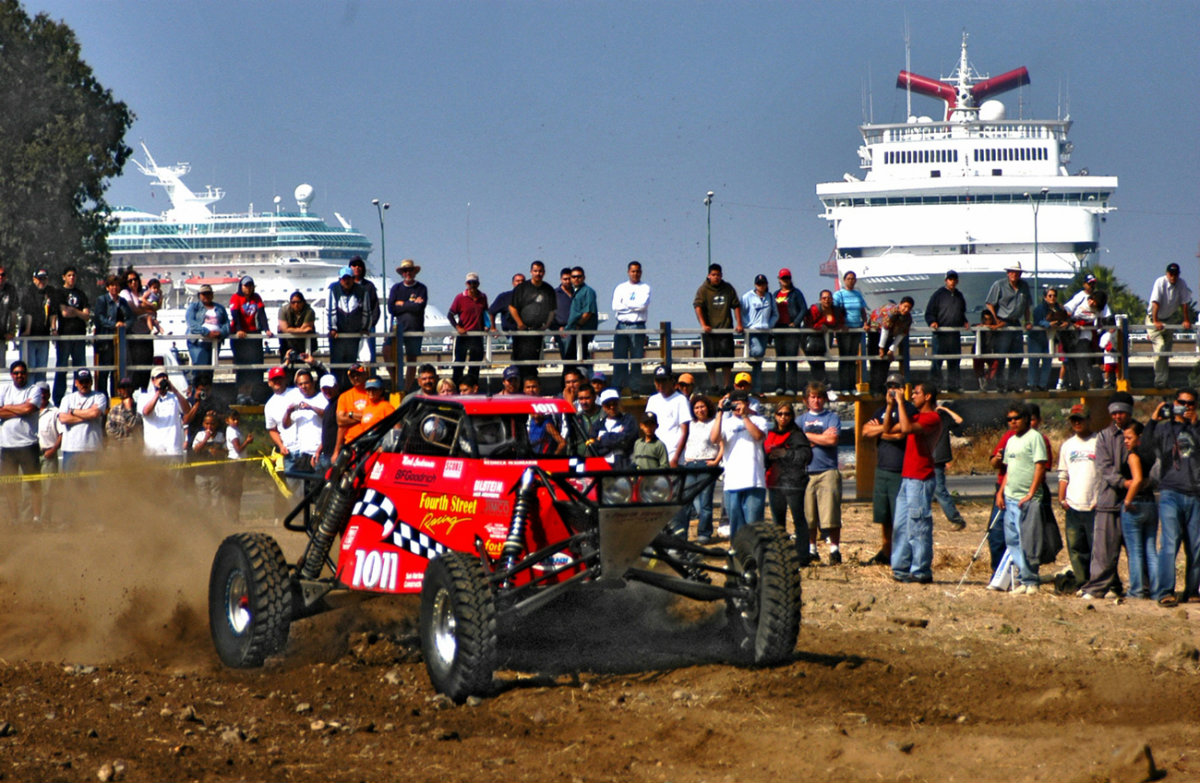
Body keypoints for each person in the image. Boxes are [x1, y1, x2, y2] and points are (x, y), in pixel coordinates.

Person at [1145, 389, 1200, 606]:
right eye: (1181, 402)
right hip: (1170, 491)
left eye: (1190, 403)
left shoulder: (1197, 427)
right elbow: (1145, 448)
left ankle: (1192, 590)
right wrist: (1153, 420)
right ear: (1174, 403)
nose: (1185, 407)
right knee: (1169, 543)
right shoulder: (1164, 428)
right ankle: (1165, 591)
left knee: (1196, 546)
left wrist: (1195, 425)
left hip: (1195, 493)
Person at [1077, 392, 1134, 601]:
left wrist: (1139, 484)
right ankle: (1097, 588)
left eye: (1122, 412)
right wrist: (1124, 482)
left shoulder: (1141, 432)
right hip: (1109, 501)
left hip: (1135, 502)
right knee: (1103, 551)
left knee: (1136, 551)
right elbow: (1104, 467)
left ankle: (1141, 587)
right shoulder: (1103, 436)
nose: (1118, 416)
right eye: (1114, 412)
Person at [886, 381, 942, 584]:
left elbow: (907, 428)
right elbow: (888, 429)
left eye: (916, 393)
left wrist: (901, 403)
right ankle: (900, 568)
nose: (912, 396)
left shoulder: (932, 418)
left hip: (921, 478)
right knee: (901, 525)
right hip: (907, 477)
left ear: (927, 396)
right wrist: (891, 406)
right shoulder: (915, 416)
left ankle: (921, 570)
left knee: (918, 526)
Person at [995, 404, 1049, 595]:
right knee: (1013, 541)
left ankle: (1032, 580)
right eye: (1009, 419)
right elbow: (1009, 470)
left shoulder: (1035, 437)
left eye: (1016, 418)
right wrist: (1001, 493)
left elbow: (1040, 466)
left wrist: (1031, 493)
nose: (1013, 422)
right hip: (1010, 498)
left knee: (1028, 542)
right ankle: (1024, 579)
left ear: (1026, 418)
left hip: (1027, 500)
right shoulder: (1010, 440)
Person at [862, 373, 914, 565]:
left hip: (900, 469)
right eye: (889, 386)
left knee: (899, 515)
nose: (892, 390)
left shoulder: (908, 409)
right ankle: (886, 550)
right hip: (882, 468)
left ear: (903, 389)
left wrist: (883, 430)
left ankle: (901, 552)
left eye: (896, 386)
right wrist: (887, 429)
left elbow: (902, 434)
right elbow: (865, 431)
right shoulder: (881, 410)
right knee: (883, 515)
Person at [711, 389, 767, 539]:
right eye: (734, 404)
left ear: (747, 404)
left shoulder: (758, 420)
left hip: (754, 480)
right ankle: (737, 551)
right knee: (736, 526)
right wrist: (719, 413)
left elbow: (758, 436)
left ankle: (755, 552)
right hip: (732, 482)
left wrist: (744, 416)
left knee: (754, 525)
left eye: (740, 403)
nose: (736, 407)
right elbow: (714, 439)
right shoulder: (725, 423)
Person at [1057, 404, 1099, 590]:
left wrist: (1100, 498)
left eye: (1080, 419)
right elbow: (1063, 474)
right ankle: (1082, 583)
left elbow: (1105, 473)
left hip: (1093, 505)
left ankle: (1098, 583)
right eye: (1074, 420)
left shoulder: (1098, 442)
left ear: (1088, 420)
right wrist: (1062, 499)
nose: (1077, 423)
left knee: (1096, 548)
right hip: (1073, 505)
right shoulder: (1068, 446)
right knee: (1076, 547)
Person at [800, 382, 842, 564]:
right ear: (806, 400)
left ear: (824, 399)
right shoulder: (800, 421)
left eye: (819, 397)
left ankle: (834, 549)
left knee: (831, 514)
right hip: (806, 471)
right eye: (813, 397)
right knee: (809, 515)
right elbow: (796, 443)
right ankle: (812, 549)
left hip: (828, 470)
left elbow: (832, 440)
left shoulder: (832, 418)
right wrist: (821, 437)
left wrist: (807, 436)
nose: (816, 400)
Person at [764, 400, 812, 558]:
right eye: (780, 414)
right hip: (774, 481)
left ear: (792, 416)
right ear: (775, 416)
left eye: (787, 414)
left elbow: (806, 456)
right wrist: (768, 457)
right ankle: (781, 554)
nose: (783, 417)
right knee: (778, 521)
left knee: (798, 518)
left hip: (793, 482)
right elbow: (763, 456)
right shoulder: (770, 434)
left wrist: (786, 454)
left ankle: (802, 555)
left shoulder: (797, 434)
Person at [0, 361, 44, 521]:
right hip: (7, 445)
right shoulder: (4, 390)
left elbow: (29, 409)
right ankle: (14, 519)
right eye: (16, 373)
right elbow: (22, 409)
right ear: (11, 375)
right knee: (10, 485)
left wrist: (7, 407)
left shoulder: (34, 389)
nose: (19, 375)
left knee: (34, 484)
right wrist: (21, 409)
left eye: (22, 373)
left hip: (28, 444)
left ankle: (36, 518)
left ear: (27, 374)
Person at [1119, 420, 1158, 600]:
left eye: (1129, 438)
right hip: (1150, 503)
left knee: (1135, 551)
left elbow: (1137, 479)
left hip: (1136, 504)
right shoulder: (1150, 455)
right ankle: (1158, 589)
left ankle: (1137, 590)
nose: (1126, 441)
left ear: (1139, 438)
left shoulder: (1133, 456)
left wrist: (1127, 500)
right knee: (1150, 549)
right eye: (1124, 438)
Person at [693, 263, 743, 394]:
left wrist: (739, 323)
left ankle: (726, 385)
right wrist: (703, 325)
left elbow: (736, 305)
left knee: (727, 360)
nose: (716, 277)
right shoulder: (703, 290)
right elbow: (697, 306)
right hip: (710, 331)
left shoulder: (728, 288)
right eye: (713, 275)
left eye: (718, 275)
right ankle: (713, 385)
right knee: (710, 360)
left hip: (725, 329)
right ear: (709, 275)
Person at [983, 262, 1033, 392]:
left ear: (1020, 274)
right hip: (1003, 323)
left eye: (1017, 272)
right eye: (1012, 271)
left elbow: (1027, 305)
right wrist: (996, 320)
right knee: (1001, 356)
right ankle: (1000, 384)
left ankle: (1012, 384)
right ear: (1007, 273)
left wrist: (1027, 321)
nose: (1014, 274)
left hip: (1016, 323)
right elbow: (989, 303)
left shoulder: (1024, 286)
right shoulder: (999, 284)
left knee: (1017, 356)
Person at [1146, 263, 1193, 389]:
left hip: (1168, 319)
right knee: (1160, 348)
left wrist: (1186, 320)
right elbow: (1155, 303)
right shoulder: (1160, 282)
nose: (1173, 277)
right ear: (1167, 274)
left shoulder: (1181, 283)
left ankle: (1164, 380)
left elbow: (1184, 303)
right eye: (1171, 274)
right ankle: (1159, 381)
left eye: (1175, 274)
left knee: (1166, 350)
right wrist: (1156, 321)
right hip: (1153, 319)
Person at [508, 260, 556, 380]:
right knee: (519, 364)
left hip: (537, 332)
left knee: (533, 365)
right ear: (531, 272)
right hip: (522, 333)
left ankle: (531, 387)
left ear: (544, 272)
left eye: (540, 271)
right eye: (535, 271)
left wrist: (547, 324)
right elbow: (512, 307)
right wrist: (520, 323)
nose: (538, 273)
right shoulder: (522, 288)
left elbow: (552, 310)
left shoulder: (549, 289)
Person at [229, 276, 273, 404]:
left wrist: (267, 329)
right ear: (241, 287)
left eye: (250, 286)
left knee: (256, 365)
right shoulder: (235, 298)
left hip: (254, 333)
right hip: (240, 335)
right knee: (242, 365)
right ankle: (241, 393)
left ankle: (252, 394)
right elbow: (235, 314)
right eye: (246, 286)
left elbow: (262, 313)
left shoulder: (256, 297)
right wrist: (239, 329)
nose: (248, 288)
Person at [611, 260, 651, 395]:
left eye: (638, 271)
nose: (635, 274)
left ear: (641, 272)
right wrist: (634, 306)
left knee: (636, 359)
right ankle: (618, 387)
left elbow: (643, 305)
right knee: (619, 359)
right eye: (633, 271)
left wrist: (626, 304)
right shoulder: (620, 288)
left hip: (637, 326)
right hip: (621, 325)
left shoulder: (645, 287)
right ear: (628, 272)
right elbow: (616, 306)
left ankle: (635, 388)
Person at [57, 368, 106, 474]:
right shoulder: (67, 399)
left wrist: (73, 411)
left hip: (92, 448)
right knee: (70, 483)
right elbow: (63, 418)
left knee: (93, 483)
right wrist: (88, 415)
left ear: (91, 382)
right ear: (76, 383)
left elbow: (95, 414)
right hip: (71, 449)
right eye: (81, 382)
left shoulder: (99, 397)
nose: (84, 384)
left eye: (86, 381)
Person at [925, 270, 968, 391]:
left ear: (957, 281)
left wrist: (964, 321)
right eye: (950, 279)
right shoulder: (938, 295)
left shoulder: (959, 295)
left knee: (954, 361)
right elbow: (929, 312)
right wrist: (932, 322)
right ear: (946, 281)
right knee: (937, 361)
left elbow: (961, 312)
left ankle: (953, 386)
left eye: (954, 279)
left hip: (954, 334)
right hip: (940, 334)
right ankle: (935, 387)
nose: (952, 282)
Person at [389, 258, 428, 392]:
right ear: (402, 273)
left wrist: (402, 304)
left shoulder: (421, 288)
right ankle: (396, 383)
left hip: (415, 329)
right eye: (405, 271)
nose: (408, 273)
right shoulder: (396, 288)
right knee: (389, 354)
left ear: (414, 272)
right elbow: (391, 308)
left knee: (412, 360)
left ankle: (406, 389)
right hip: (397, 329)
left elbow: (419, 308)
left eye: (410, 270)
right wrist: (411, 304)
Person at [90, 274, 133, 396]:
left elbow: (131, 317)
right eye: (112, 285)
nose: (115, 287)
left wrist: (125, 325)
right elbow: (100, 318)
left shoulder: (122, 301)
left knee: (117, 371)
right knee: (104, 372)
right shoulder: (102, 300)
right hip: (105, 341)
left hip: (119, 342)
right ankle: (102, 398)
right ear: (107, 287)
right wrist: (115, 325)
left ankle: (116, 397)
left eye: (117, 285)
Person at [52, 267, 90, 405]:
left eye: (74, 275)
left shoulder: (81, 294)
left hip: (79, 335)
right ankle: (58, 399)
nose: (72, 278)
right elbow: (64, 313)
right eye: (69, 275)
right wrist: (78, 312)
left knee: (80, 368)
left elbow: (86, 316)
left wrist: (74, 310)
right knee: (62, 368)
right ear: (64, 277)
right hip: (64, 335)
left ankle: (78, 397)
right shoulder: (59, 293)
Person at [140, 365, 191, 465]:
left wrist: (175, 391)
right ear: (153, 380)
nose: (163, 379)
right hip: (154, 452)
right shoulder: (145, 397)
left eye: (165, 376)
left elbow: (187, 410)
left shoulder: (175, 397)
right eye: (159, 377)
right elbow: (146, 412)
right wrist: (158, 393)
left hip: (173, 450)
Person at [447, 272, 489, 389]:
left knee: (475, 366)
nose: (472, 285)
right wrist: (458, 327)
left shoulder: (483, 297)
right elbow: (450, 315)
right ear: (466, 284)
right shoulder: (460, 297)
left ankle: (472, 388)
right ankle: (456, 388)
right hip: (463, 336)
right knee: (459, 365)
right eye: (470, 283)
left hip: (477, 336)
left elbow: (486, 313)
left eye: (474, 283)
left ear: (478, 284)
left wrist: (487, 325)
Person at [184, 285, 229, 388]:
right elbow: (192, 324)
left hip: (214, 343)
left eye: (208, 293)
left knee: (209, 372)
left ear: (212, 295)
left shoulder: (220, 308)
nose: (206, 296)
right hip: (199, 343)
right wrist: (206, 332)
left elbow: (226, 325)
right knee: (200, 371)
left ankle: (208, 393)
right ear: (199, 295)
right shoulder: (194, 307)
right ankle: (197, 393)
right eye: (204, 294)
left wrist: (221, 333)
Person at [645, 366, 690, 468]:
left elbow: (685, 431)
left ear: (671, 381)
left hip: (672, 454)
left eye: (664, 381)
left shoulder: (681, 400)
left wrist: (676, 458)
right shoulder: (652, 400)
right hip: (654, 453)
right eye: (658, 381)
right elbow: (647, 427)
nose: (660, 385)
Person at [832, 271, 869, 393]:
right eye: (848, 278)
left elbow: (862, 310)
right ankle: (844, 387)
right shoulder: (839, 295)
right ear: (844, 280)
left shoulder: (858, 294)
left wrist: (865, 322)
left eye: (853, 278)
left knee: (853, 358)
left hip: (856, 329)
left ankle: (852, 386)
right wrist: (841, 325)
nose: (851, 281)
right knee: (845, 358)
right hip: (844, 330)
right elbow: (835, 311)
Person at [119, 270, 156, 391]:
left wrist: (148, 310)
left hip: (146, 332)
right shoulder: (125, 293)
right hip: (134, 333)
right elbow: (133, 310)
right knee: (134, 366)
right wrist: (148, 310)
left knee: (147, 365)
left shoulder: (143, 293)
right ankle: (133, 392)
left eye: (135, 279)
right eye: (130, 280)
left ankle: (144, 391)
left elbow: (155, 309)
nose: (133, 282)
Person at [932, 402, 966, 530]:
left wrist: (945, 410)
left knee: (939, 490)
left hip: (937, 459)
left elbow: (959, 421)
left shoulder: (943, 419)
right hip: (925, 458)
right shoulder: (922, 418)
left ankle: (956, 519)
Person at [772, 269, 807, 396]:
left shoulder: (796, 293)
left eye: (787, 278)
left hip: (791, 329)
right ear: (779, 279)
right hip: (779, 328)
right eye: (783, 278)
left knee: (791, 359)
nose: (785, 280)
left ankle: (791, 387)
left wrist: (796, 322)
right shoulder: (775, 294)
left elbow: (803, 309)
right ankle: (779, 387)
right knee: (780, 359)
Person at [741, 274, 777, 395]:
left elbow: (775, 314)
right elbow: (741, 313)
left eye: (763, 284)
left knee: (758, 362)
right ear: (755, 285)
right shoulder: (747, 297)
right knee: (758, 352)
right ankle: (749, 358)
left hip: (765, 332)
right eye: (759, 284)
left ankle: (757, 389)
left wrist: (769, 325)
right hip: (753, 331)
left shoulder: (770, 297)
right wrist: (747, 325)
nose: (761, 286)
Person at [19, 268, 56, 384]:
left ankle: (40, 393)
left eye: (44, 279)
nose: (42, 281)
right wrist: (27, 330)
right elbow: (28, 312)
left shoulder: (50, 292)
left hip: (43, 336)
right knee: (29, 369)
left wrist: (53, 329)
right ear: (34, 279)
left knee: (41, 370)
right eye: (40, 279)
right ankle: (29, 393)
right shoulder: (28, 292)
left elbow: (53, 312)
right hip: (29, 338)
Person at [328, 266, 369, 373]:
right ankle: (337, 383)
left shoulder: (362, 291)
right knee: (336, 365)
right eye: (344, 279)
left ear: (353, 279)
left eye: (349, 278)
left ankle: (350, 382)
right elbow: (331, 310)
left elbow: (366, 311)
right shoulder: (333, 289)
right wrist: (333, 328)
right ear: (340, 279)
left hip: (354, 335)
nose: (346, 281)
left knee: (352, 365)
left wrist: (365, 327)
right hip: (338, 336)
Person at [1030, 287, 1070, 392]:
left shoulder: (1059, 308)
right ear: (1045, 297)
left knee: (1047, 362)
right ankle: (1032, 384)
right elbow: (1038, 321)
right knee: (1034, 361)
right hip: (1037, 338)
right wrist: (1049, 324)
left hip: (1050, 339)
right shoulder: (1039, 309)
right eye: (1050, 295)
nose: (1052, 298)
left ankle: (1042, 385)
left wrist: (1065, 323)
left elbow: (1065, 318)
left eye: (1054, 295)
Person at [871, 296, 914, 393]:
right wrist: (881, 348)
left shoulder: (908, 318)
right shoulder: (892, 312)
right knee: (876, 361)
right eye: (905, 306)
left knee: (886, 362)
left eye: (909, 308)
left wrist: (891, 349)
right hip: (876, 330)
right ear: (900, 305)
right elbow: (885, 329)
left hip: (890, 333)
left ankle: (882, 388)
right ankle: (874, 389)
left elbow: (902, 334)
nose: (906, 309)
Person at [589, 389, 637, 468]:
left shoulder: (628, 420)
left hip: (623, 465)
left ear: (619, 403)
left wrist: (602, 438)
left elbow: (625, 440)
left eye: (615, 403)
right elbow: (592, 446)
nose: (612, 407)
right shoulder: (597, 425)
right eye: (608, 405)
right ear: (603, 406)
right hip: (602, 465)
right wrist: (616, 440)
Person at [190, 410, 227, 508]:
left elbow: (226, 451)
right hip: (201, 473)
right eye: (207, 424)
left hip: (216, 473)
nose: (209, 426)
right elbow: (196, 449)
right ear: (203, 424)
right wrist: (205, 439)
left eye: (212, 424)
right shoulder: (200, 435)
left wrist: (218, 452)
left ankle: (215, 516)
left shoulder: (220, 436)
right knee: (203, 500)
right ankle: (204, 516)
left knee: (216, 500)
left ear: (216, 424)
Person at [805, 289, 842, 384]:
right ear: (820, 299)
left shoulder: (836, 310)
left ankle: (820, 386)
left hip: (825, 341)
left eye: (829, 298)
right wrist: (819, 327)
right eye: (824, 298)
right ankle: (823, 385)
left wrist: (840, 327)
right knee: (815, 364)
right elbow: (808, 323)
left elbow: (839, 323)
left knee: (821, 364)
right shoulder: (814, 309)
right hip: (812, 340)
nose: (827, 300)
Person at [564, 266, 597, 371]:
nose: (576, 279)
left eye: (579, 276)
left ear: (583, 277)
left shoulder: (588, 291)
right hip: (573, 333)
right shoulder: (575, 292)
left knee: (579, 362)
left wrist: (578, 325)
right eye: (573, 277)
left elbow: (588, 312)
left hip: (582, 333)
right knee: (570, 361)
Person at [223, 408, 253, 523]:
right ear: (227, 420)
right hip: (234, 463)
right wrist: (247, 442)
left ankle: (235, 517)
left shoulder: (237, 430)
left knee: (238, 490)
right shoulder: (232, 431)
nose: (236, 421)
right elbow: (238, 449)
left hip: (239, 462)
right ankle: (231, 517)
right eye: (233, 419)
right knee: (233, 490)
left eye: (237, 419)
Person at [348, 256, 380, 363]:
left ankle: (371, 372)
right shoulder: (347, 285)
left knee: (369, 356)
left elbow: (375, 307)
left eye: (359, 265)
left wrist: (370, 324)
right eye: (354, 265)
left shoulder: (369, 286)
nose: (357, 268)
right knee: (351, 355)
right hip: (351, 327)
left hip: (368, 327)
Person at [35, 382, 60, 523]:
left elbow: (62, 434)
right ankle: (28, 520)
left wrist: (54, 449)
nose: (42, 395)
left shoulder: (55, 411)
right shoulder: (29, 409)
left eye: (45, 392)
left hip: (48, 453)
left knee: (48, 491)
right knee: (28, 490)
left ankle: (45, 521)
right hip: (31, 454)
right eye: (40, 393)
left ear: (49, 394)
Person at [277, 290, 317, 358]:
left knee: (305, 362)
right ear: (290, 302)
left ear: (303, 302)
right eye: (293, 302)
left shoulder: (309, 311)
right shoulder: (283, 310)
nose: (296, 304)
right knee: (286, 363)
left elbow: (306, 328)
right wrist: (302, 330)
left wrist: (289, 329)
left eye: (299, 302)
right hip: (287, 344)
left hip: (304, 344)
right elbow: (284, 329)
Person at [106, 376, 141, 447]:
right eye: (123, 387)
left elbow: (135, 427)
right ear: (119, 390)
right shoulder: (114, 410)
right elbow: (110, 431)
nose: (126, 390)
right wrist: (126, 430)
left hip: (134, 448)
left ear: (132, 389)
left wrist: (128, 409)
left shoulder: (139, 408)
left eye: (128, 387)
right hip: (117, 448)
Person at [552, 267, 575, 363]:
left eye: (569, 279)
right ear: (561, 279)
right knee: (568, 358)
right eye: (565, 279)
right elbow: (549, 314)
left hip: (577, 329)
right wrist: (557, 328)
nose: (567, 281)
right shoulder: (554, 294)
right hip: (562, 331)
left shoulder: (577, 293)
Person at [0, 262, 15, 371]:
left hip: (1, 336)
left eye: (3, 274)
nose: (0, 277)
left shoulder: (10, 290)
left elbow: (13, 312)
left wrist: (11, 330)